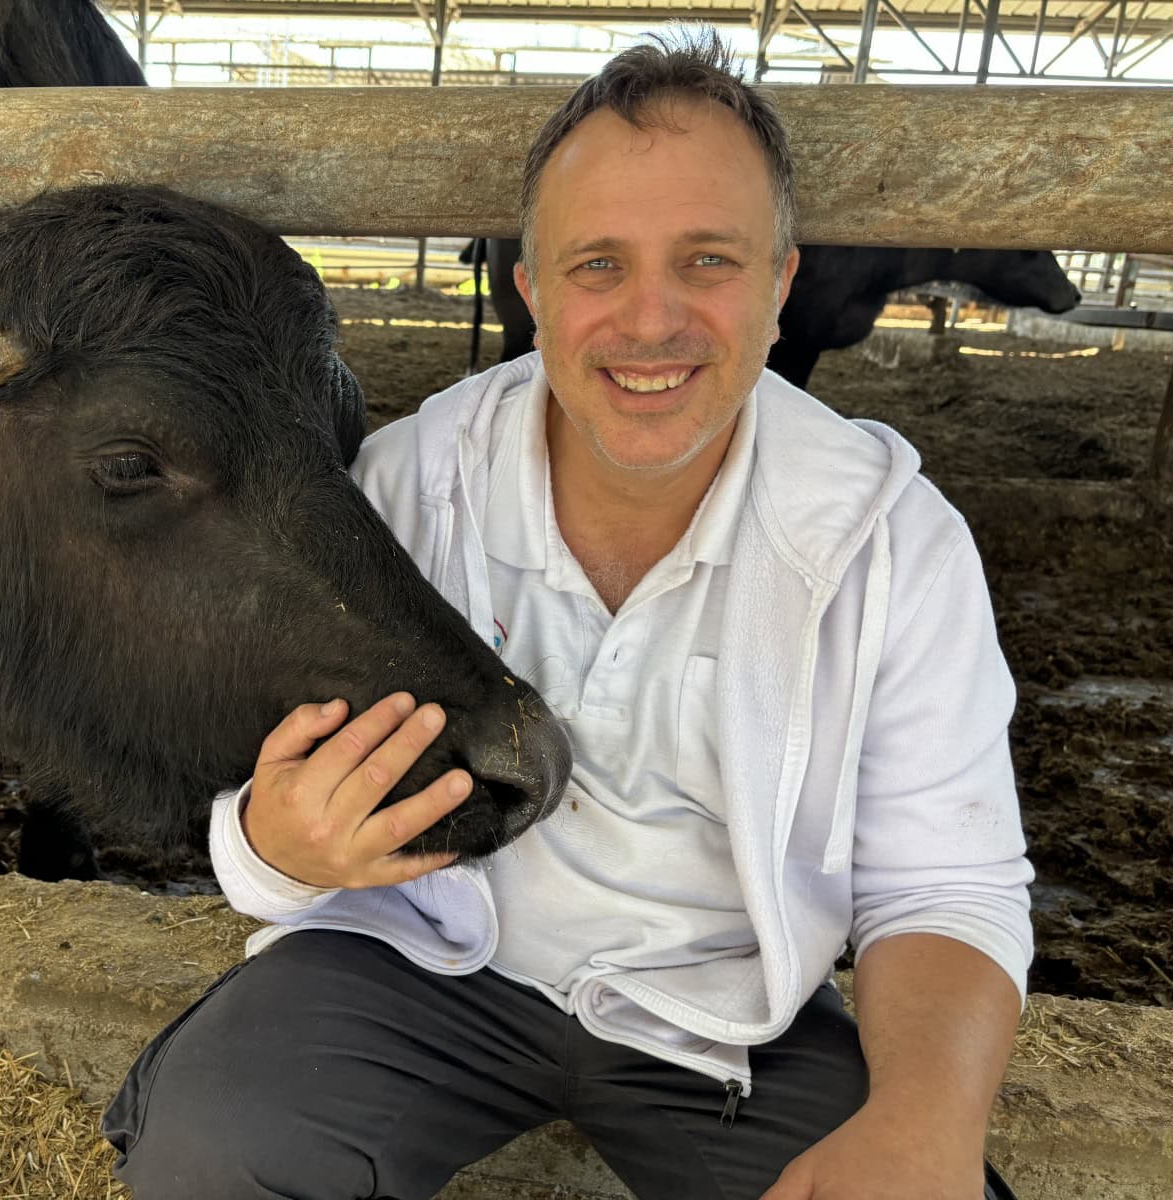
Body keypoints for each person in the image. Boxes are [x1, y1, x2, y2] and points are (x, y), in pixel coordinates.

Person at [102, 29, 1033, 1200]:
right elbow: (266, 816)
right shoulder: (398, 486)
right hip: (419, 961)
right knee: (212, 1150)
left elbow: (944, 885)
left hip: (725, 1012)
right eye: (598, 266)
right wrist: (276, 852)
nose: (650, 322)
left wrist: (923, 1119)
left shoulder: (890, 537)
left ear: (782, 284)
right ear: (531, 290)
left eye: (707, 261)